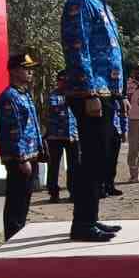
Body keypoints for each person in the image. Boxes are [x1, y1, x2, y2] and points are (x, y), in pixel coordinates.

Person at [60, 0, 125, 242]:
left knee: (101, 157)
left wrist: (117, 92)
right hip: (90, 93)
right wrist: (89, 93)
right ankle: (82, 224)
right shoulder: (80, 3)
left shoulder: (101, 5)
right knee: (92, 158)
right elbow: (77, 49)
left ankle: (91, 218)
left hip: (106, 91)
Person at [0, 54, 45, 239]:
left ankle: (19, 231)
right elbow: (13, 130)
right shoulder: (9, 97)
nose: (30, 72)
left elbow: (31, 126)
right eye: (26, 68)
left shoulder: (23, 94)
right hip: (19, 158)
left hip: (30, 154)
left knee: (25, 198)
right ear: (15, 71)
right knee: (16, 199)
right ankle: (12, 235)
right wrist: (22, 158)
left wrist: (39, 149)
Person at [45, 70, 79, 204]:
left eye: (67, 81)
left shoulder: (76, 95)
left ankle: (74, 191)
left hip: (72, 135)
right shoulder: (53, 95)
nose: (64, 84)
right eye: (62, 81)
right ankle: (53, 192)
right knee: (54, 166)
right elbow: (55, 107)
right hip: (55, 136)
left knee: (74, 166)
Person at [106, 100, 128, 197]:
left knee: (113, 161)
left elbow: (123, 114)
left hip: (116, 130)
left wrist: (124, 130)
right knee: (103, 160)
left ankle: (110, 185)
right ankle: (102, 187)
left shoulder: (118, 98)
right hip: (104, 131)